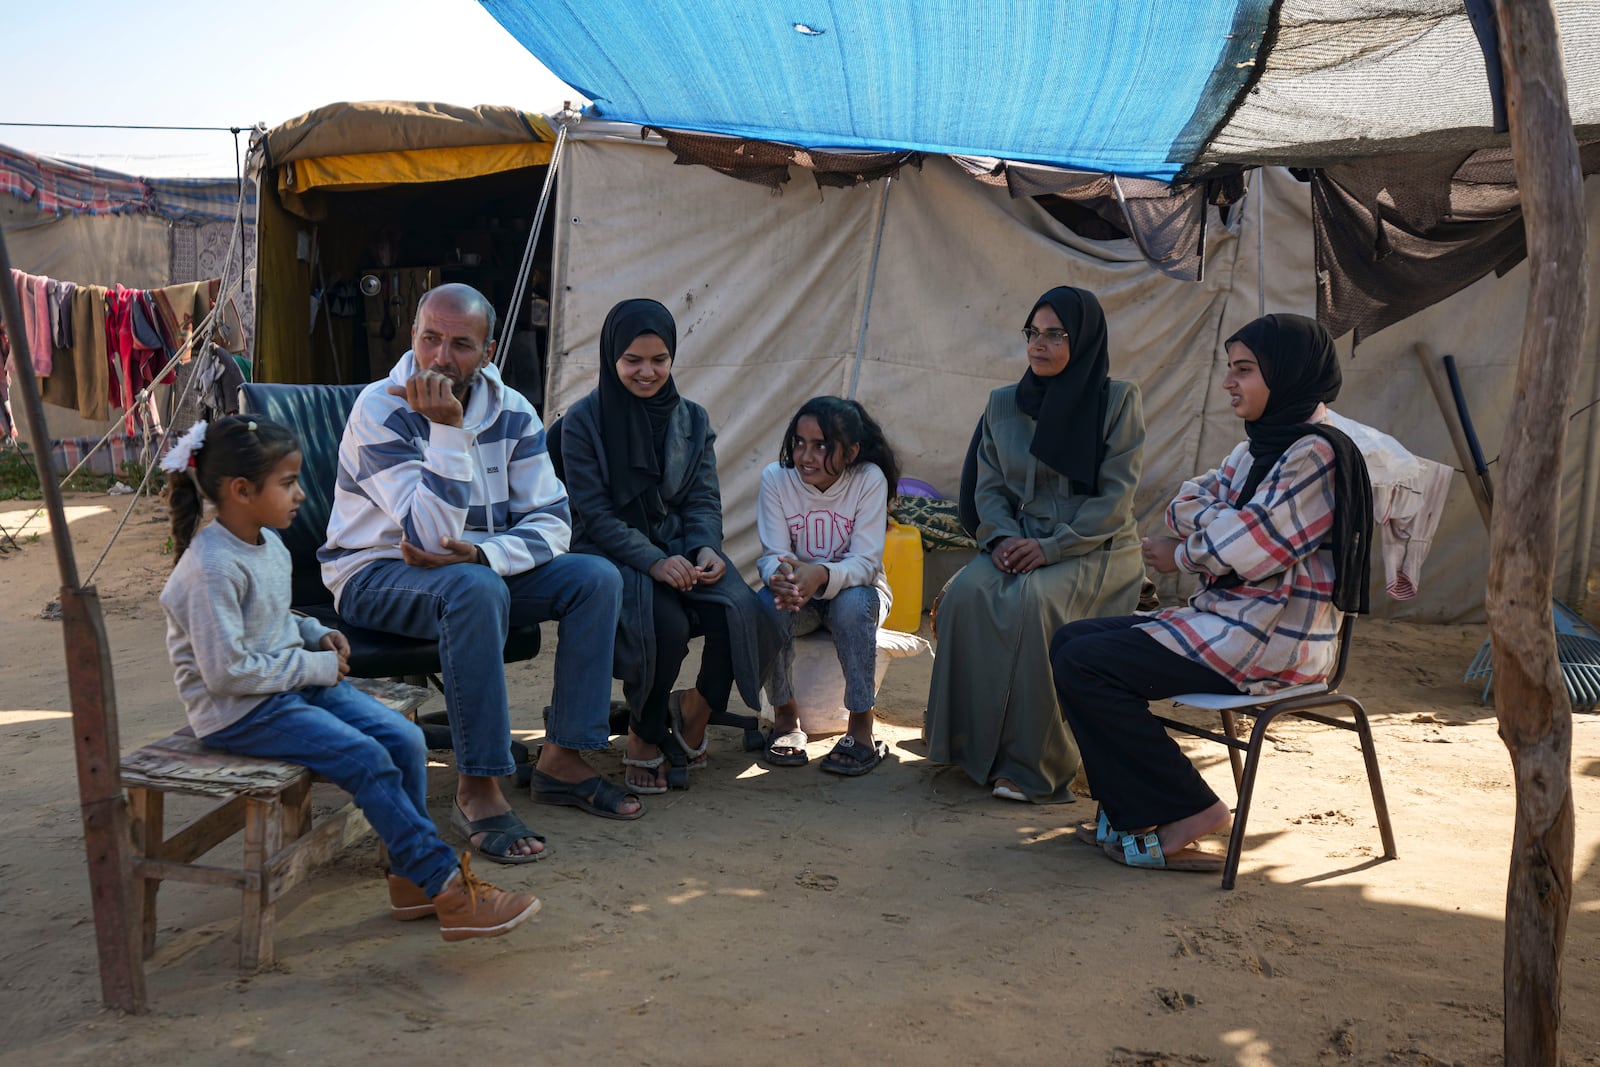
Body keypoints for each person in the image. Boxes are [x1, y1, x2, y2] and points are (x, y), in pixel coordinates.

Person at [158, 416, 539, 940]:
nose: (300, 494)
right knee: (367, 760)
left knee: (404, 739)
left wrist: (315, 633)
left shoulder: (265, 543)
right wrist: (314, 665)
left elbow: (269, 619)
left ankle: (409, 881)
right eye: (288, 483)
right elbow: (228, 673)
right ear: (241, 491)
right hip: (241, 712)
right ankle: (448, 888)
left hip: (286, 686)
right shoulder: (211, 569)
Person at [322, 283, 636, 867]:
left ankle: (562, 759)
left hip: (475, 571)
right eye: (429, 339)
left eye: (460, 344)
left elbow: (554, 521)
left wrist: (485, 555)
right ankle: (478, 787)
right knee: (475, 587)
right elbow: (422, 536)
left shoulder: (512, 410)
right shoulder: (380, 407)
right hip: (374, 573)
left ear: (489, 351)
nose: (440, 358)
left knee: (595, 577)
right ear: (411, 338)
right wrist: (445, 429)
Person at [1050, 313, 1373, 872]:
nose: (1230, 382)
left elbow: (1249, 550)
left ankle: (1190, 809)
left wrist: (1183, 554)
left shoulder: (1317, 455)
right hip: (1226, 620)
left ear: (1288, 374)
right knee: (1070, 643)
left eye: (1244, 370)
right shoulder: (1259, 448)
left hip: (1271, 642)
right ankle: (1133, 810)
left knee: (1088, 664)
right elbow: (1184, 502)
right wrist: (1226, 528)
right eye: (1230, 369)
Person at [923, 286, 1145, 803]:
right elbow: (990, 487)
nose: (1038, 346)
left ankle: (1033, 767)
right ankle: (964, 744)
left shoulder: (1117, 402)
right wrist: (1000, 537)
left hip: (1096, 547)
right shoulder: (1004, 403)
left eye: (1054, 335)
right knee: (963, 595)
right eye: (1033, 333)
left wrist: (1054, 548)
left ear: (1084, 340)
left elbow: (1115, 499)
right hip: (1017, 539)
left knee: (1032, 602)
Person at [560, 298, 778, 793]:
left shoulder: (693, 420)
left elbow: (703, 499)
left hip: (681, 545)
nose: (646, 372)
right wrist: (655, 561)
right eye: (632, 360)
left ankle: (694, 713)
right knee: (667, 625)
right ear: (611, 357)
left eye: (659, 360)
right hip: (609, 551)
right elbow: (594, 514)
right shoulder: (583, 422)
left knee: (743, 612)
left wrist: (705, 547)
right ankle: (643, 732)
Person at [757, 396, 900, 776]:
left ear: (851, 451)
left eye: (822, 445)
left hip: (860, 596)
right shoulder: (776, 478)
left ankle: (861, 727)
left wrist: (819, 574)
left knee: (851, 604)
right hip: (801, 599)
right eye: (799, 443)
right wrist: (780, 576)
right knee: (766, 603)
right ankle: (786, 718)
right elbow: (773, 552)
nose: (806, 456)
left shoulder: (868, 479)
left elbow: (867, 564)